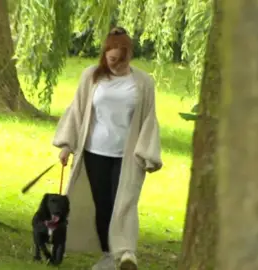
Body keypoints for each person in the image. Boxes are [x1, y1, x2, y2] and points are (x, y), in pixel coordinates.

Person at [52, 26, 162, 270]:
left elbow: (148, 119)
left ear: (129, 56)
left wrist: (149, 154)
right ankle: (108, 255)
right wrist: (67, 145)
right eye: (111, 60)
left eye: (121, 61)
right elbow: (77, 111)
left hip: (128, 156)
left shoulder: (143, 82)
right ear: (104, 55)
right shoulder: (91, 77)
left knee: (125, 203)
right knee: (103, 206)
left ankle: (126, 254)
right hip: (95, 152)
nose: (115, 65)